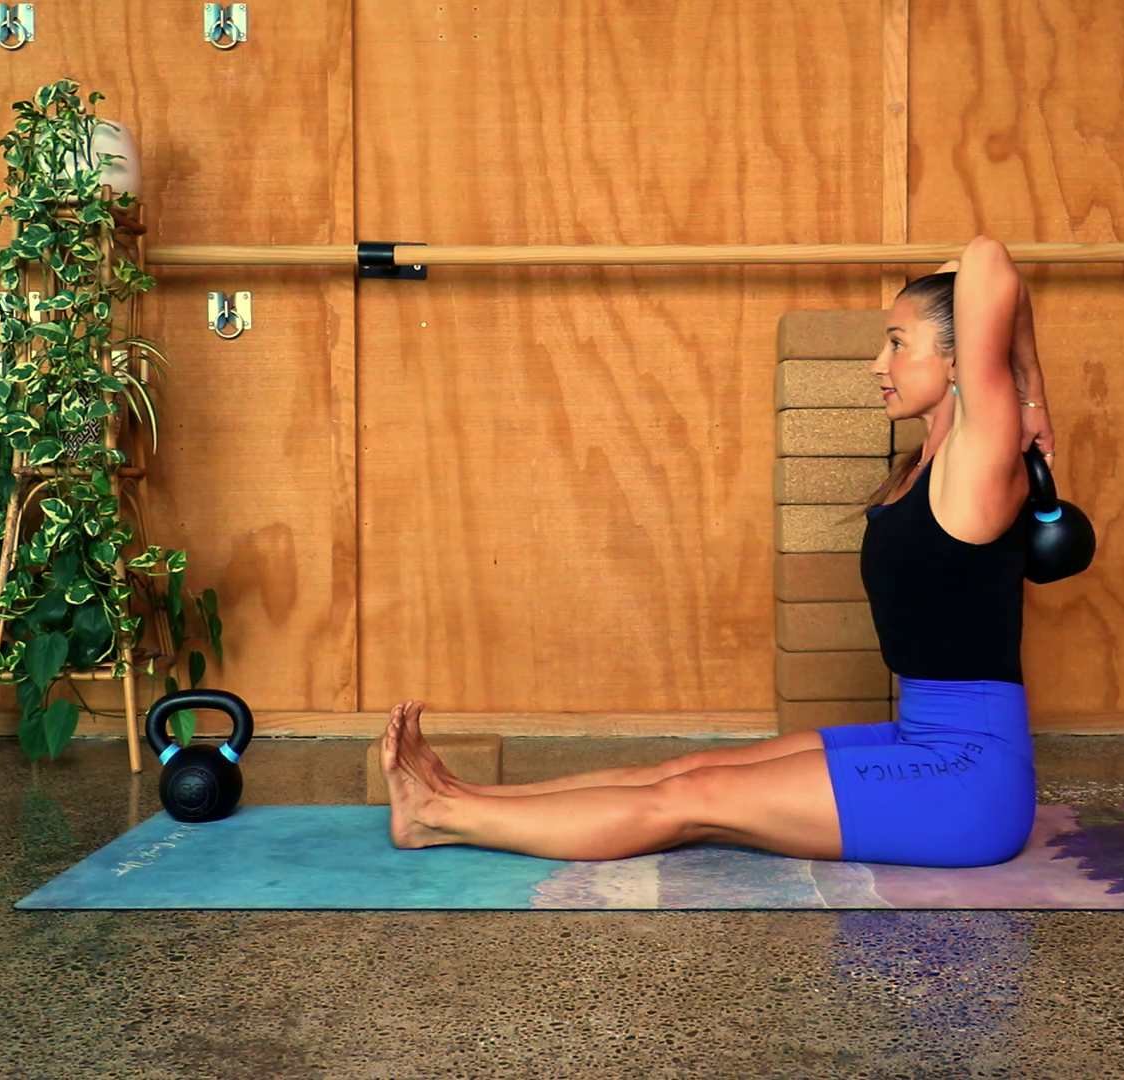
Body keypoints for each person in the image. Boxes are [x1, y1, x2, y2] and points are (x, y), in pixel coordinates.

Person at [381, 235, 1055, 867]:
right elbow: (968, 282)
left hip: (967, 777)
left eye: (898, 344)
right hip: (921, 734)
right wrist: (1005, 376)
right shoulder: (931, 460)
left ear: (959, 360)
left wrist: (1031, 398)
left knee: (692, 801)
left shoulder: (977, 460)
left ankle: (438, 818)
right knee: (691, 769)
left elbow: (985, 257)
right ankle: (459, 794)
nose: (878, 363)